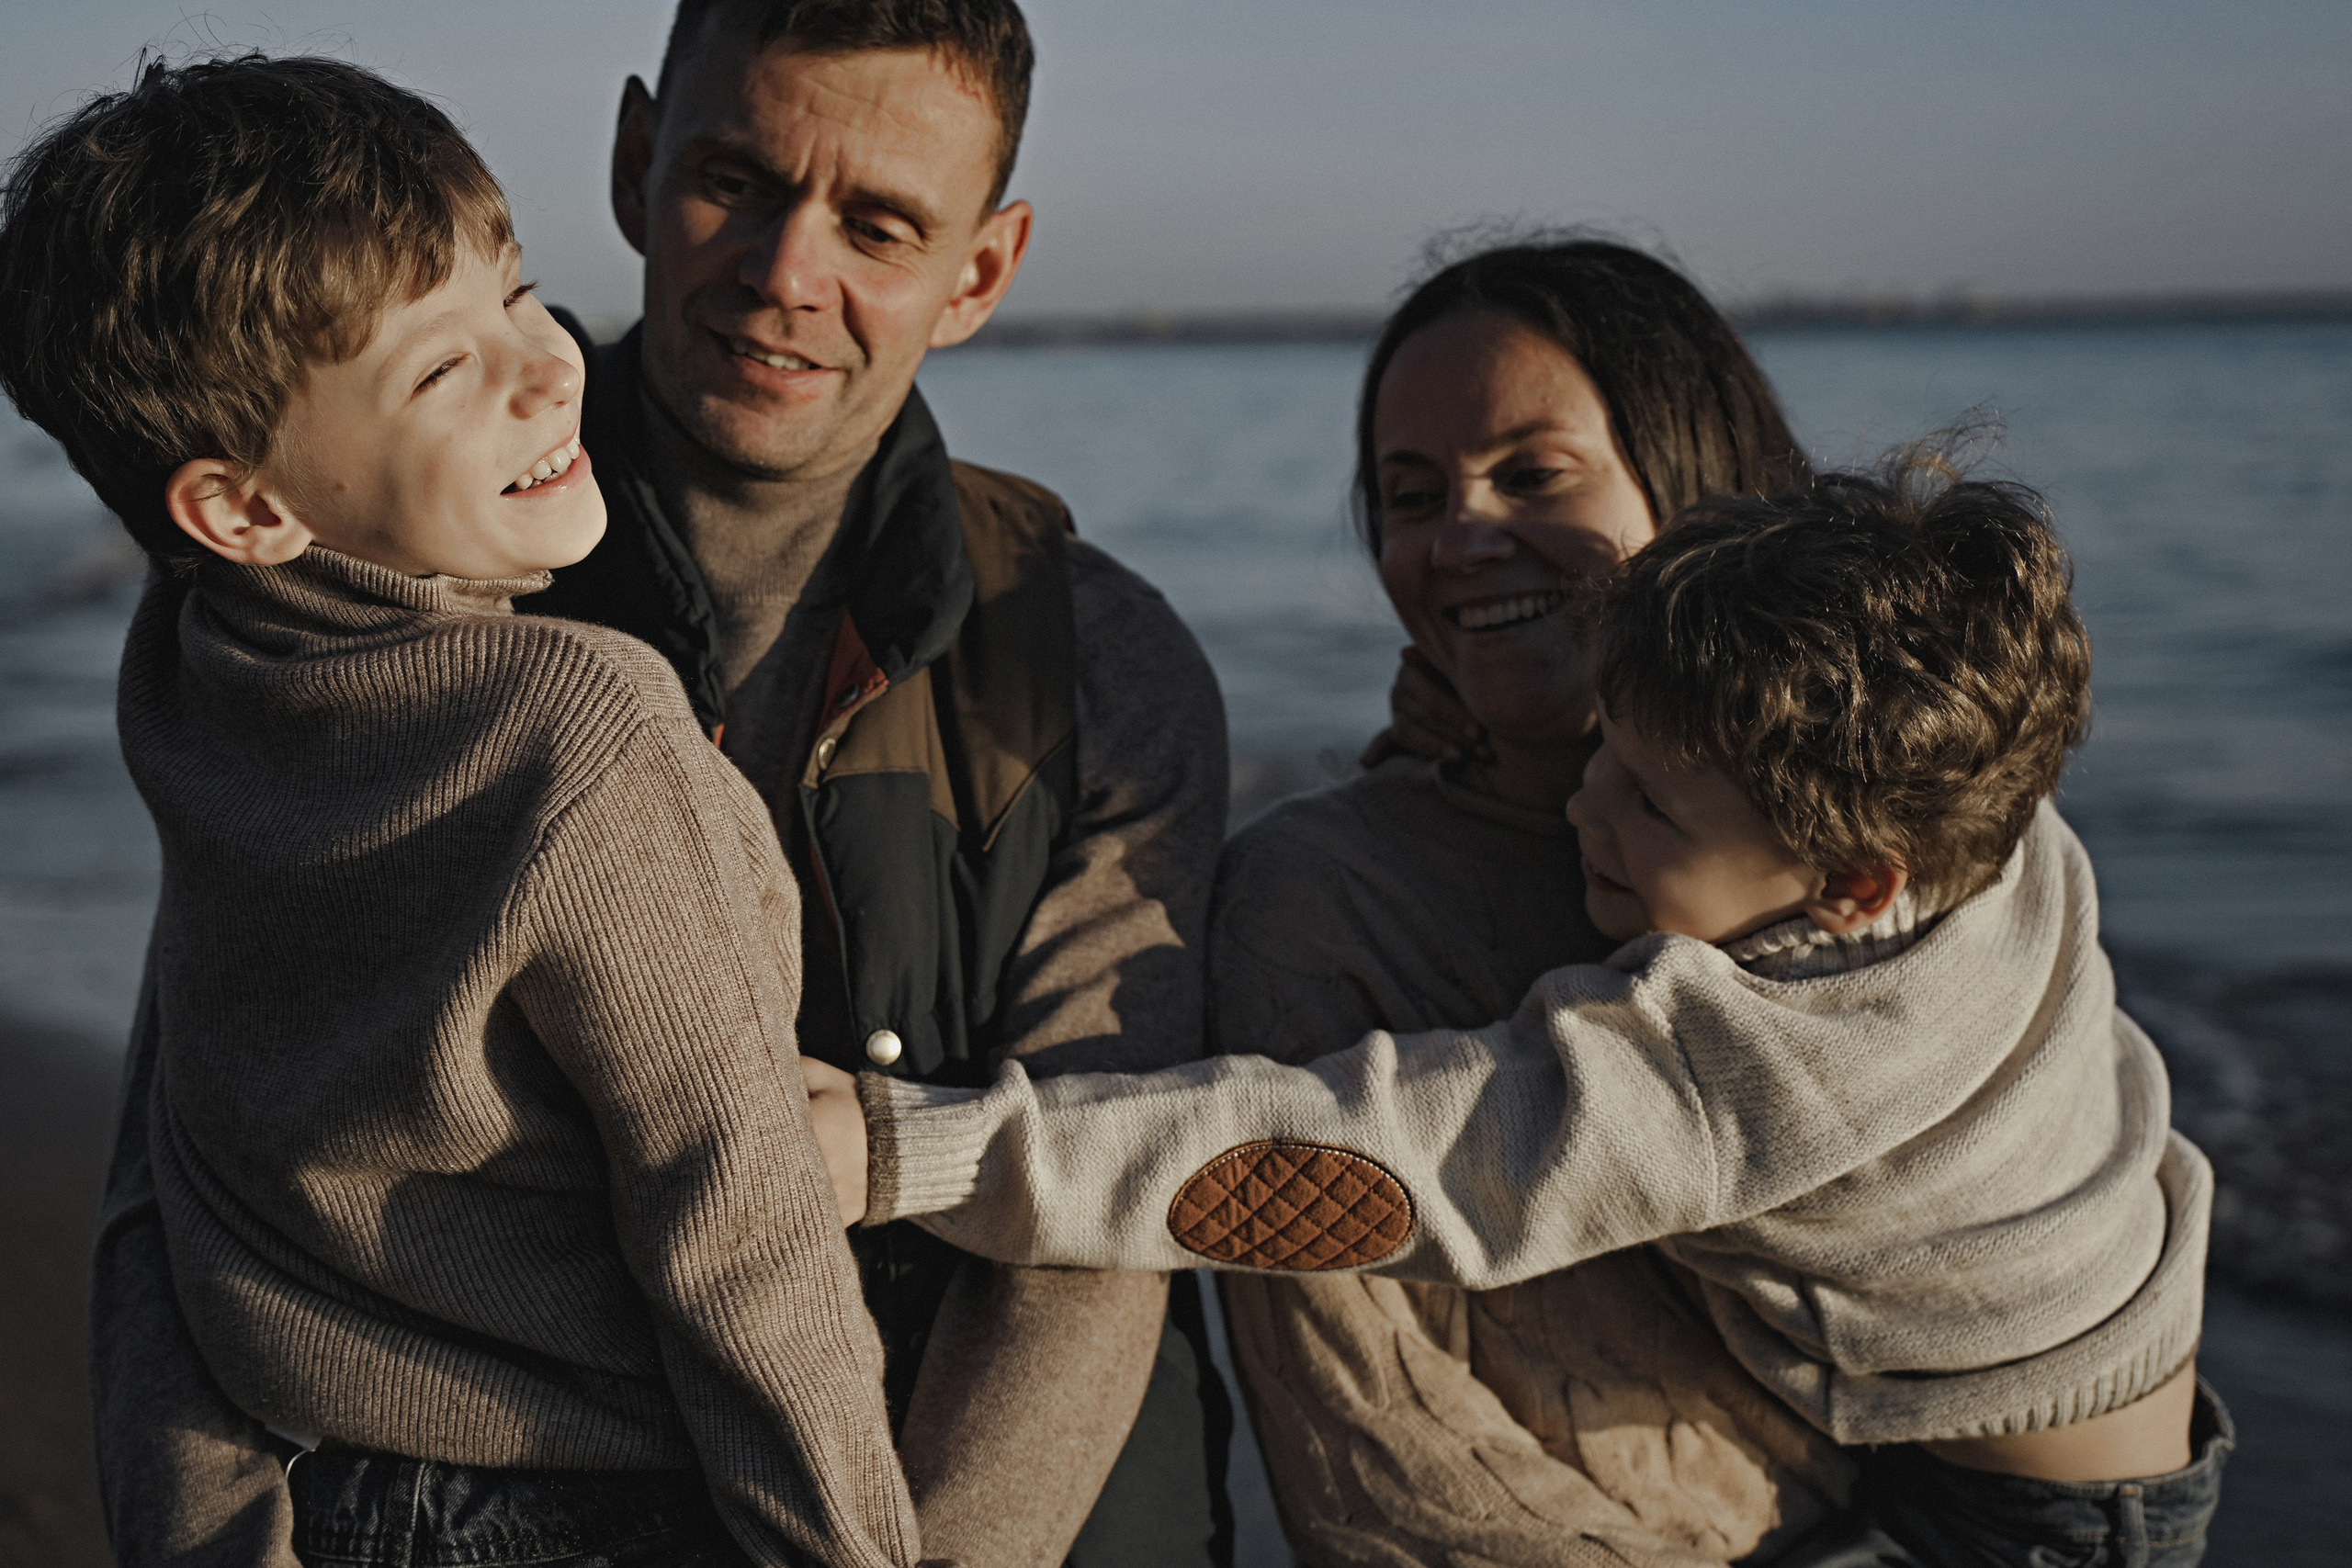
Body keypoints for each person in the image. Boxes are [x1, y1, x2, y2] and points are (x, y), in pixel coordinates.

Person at [820, 453, 2233, 1567]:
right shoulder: (1989, 830)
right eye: (1600, 753)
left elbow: (1371, 1159)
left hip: (2018, 1527)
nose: (1582, 807)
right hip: (2115, 1400)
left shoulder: (1763, 1075)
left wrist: (910, 1151)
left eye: (1647, 804)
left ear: (1853, 884)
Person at [4, 55, 927, 1567]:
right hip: (594, 1513)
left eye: (518, 291)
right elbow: (737, 1222)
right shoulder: (579, 725)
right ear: (242, 508)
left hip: (320, 1493)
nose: (551, 363)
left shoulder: (198, 678)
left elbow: (174, 1167)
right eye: (444, 371)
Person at [521, 4, 1235, 1565]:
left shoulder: (1099, 668)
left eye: (878, 224)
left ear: (978, 272)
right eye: (736, 177)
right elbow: (222, 1129)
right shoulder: (434, 583)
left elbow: (1090, 1212)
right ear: (638, 162)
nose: (787, 274)